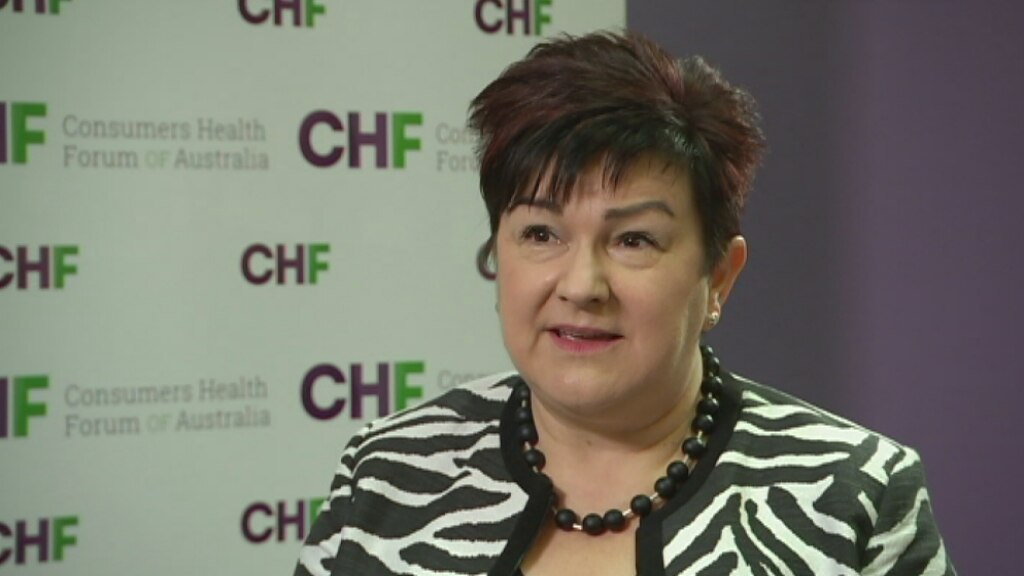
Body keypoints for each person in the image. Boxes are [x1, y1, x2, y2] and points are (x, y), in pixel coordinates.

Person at [294, 31, 955, 576]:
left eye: (634, 239)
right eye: (541, 234)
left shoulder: (853, 495)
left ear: (719, 277)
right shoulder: (390, 471)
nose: (582, 285)